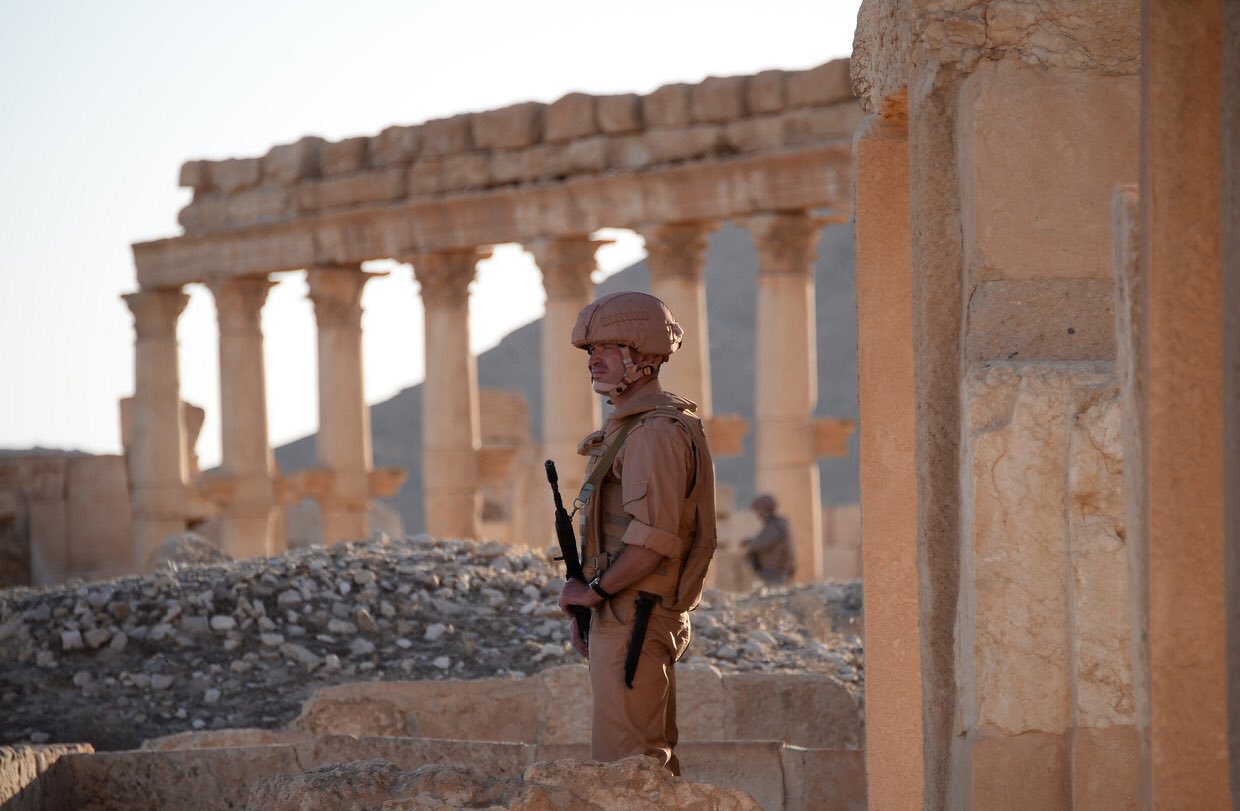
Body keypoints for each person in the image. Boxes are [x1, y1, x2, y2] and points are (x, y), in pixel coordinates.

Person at [555, 290, 717, 776]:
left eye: (607, 349)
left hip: (636, 613)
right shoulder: (631, 428)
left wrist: (595, 593)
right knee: (635, 772)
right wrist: (591, 604)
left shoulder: (654, 433)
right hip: (623, 610)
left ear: (643, 357)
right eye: (590, 351)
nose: (593, 361)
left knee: (628, 772)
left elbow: (654, 541)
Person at [742, 494, 794, 586]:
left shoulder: (774, 526)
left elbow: (760, 544)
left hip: (773, 571)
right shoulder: (778, 524)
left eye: (758, 510)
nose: (758, 514)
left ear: (764, 510)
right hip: (777, 570)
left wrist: (749, 544)